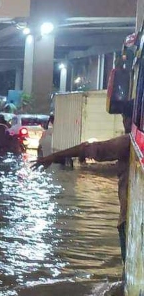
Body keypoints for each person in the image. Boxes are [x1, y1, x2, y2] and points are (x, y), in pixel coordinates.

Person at [34, 101, 133, 263]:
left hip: (129, 220)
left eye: (124, 118)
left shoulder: (127, 143)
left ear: (129, 119)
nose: (124, 122)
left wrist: (52, 157)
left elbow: (86, 149)